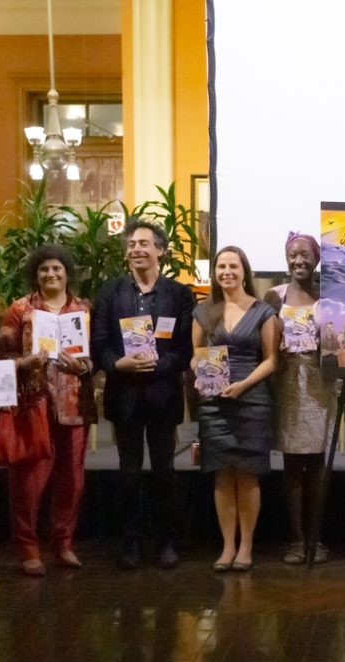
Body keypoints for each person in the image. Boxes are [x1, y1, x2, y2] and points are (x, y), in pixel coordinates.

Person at [91, 217, 195, 570]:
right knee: (129, 473)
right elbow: (99, 343)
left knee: (166, 470)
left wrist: (159, 365)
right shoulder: (111, 292)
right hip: (124, 395)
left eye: (144, 244)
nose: (136, 249)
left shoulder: (178, 294)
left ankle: (168, 541)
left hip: (163, 392)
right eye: (131, 244)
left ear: (160, 251)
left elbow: (184, 348)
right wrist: (118, 365)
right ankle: (131, 543)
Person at [0, 244, 97, 576]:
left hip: (74, 405)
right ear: (35, 275)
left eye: (57, 269)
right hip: (33, 405)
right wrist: (28, 361)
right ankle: (27, 548)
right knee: (28, 482)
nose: (51, 274)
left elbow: (97, 358)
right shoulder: (20, 310)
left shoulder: (84, 309)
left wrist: (84, 367)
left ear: (67, 272)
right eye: (44, 270)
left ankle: (63, 544)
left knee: (72, 481)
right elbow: (2, 359)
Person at [195, 246, 278, 572]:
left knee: (247, 473)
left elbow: (272, 359)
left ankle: (246, 547)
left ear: (245, 271)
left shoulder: (263, 311)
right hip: (214, 402)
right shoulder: (204, 311)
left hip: (252, 398)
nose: (227, 271)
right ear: (215, 273)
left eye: (233, 266)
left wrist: (244, 385)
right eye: (221, 267)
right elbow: (196, 354)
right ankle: (227, 546)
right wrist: (201, 370)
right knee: (222, 475)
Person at [265, 232, 337, 565]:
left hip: (322, 385)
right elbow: (261, 345)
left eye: (306, 254)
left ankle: (317, 538)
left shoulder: (329, 297)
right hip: (287, 384)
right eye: (293, 255)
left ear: (317, 258)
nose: (299, 261)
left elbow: (340, 344)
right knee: (292, 463)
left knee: (319, 463)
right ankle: (296, 540)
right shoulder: (273, 297)